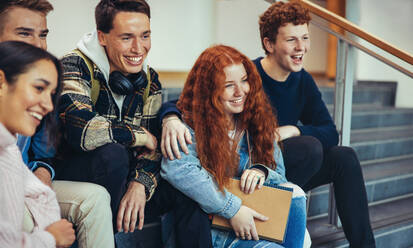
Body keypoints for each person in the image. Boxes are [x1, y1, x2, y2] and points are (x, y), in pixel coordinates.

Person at [160, 2, 375, 248]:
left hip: (265, 164)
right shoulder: (243, 70)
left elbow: (328, 131)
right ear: (269, 44)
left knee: (342, 156)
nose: (301, 47)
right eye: (292, 40)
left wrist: (290, 132)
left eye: (305, 38)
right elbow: (187, 102)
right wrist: (170, 118)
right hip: (233, 178)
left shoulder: (301, 80)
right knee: (309, 148)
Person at [54, 0, 212, 247]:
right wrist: (141, 135)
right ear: (102, 37)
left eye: (145, 35)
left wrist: (140, 184)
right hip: (78, 175)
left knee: (187, 193)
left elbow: (155, 147)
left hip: (125, 178)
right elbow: (82, 130)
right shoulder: (73, 65)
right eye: (127, 37)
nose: (139, 48)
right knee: (113, 154)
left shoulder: (149, 79)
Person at [0, 1, 115, 247]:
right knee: (22, 214)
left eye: (42, 35)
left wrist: (42, 171)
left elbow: (44, 153)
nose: (37, 45)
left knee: (96, 198)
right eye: (24, 33)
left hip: (24, 179)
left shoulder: (43, 82)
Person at [161, 44, 306, 248]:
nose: (240, 92)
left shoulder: (256, 120)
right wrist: (233, 209)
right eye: (228, 85)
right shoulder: (187, 125)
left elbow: (279, 173)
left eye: (244, 81)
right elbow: (178, 169)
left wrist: (261, 170)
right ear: (209, 90)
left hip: (256, 221)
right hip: (212, 229)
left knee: (296, 193)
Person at [0, 40, 75, 248]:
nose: (48, 106)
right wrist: (51, 238)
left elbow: (43, 194)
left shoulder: (6, 144)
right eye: (39, 88)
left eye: (51, 94)